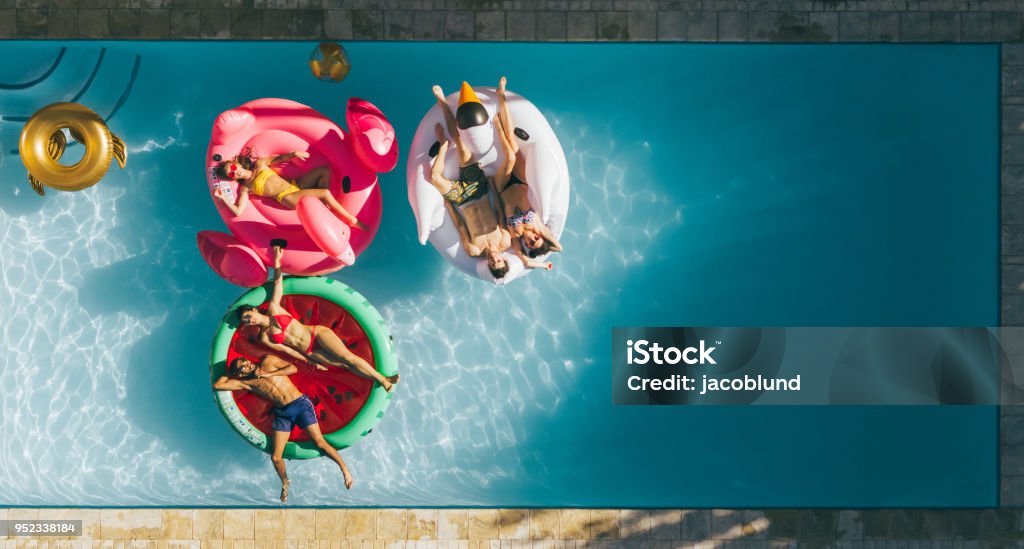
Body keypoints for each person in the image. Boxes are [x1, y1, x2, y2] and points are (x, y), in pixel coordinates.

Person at [238, 243, 399, 391]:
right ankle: (384, 379)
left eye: (247, 315)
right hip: (309, 351)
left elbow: (278, 284)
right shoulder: (265, 337)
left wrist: (277, 261)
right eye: (246, 321)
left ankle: (383, 381)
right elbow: (290, 350)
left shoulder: (274, 310)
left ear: (254, 310)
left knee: (347, 357)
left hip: (316, 335)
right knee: (345, 365)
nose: (248, 320)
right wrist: (310, 361)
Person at [213, 354, 354, 501]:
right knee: (276, 457)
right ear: (240, 374)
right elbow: (218, 385)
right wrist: (229, 372)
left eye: (246, 361)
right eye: (243, 366)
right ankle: (285, 481)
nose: (248, 364)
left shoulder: (267, 361)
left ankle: (345, 469)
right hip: (282, 413)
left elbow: (292, 369)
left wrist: (269, 373)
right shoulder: (246, 383)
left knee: (319, 442)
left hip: (300, 404)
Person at [430, 84, 512, 279]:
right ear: (503, 258)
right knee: (462, 147)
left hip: (461, 200)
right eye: (499, 261)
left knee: (434, 177)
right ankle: (442, 103)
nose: (494, 260)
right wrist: (491, 187)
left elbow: (459, 225)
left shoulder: (473, 250)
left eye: (492, 264)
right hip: (479, 191)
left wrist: (447, 203)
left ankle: (443, 145)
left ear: (488, 265)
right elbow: (500, 210)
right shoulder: (504, 240)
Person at [493, 77, 562, 265]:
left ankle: (498, 126)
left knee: (511, 157)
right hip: (521, 180)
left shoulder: (514, 236)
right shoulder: (538, 225)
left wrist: (539, 263)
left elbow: (526, 262)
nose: (531, 240)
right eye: (536, 240)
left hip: (502, 186)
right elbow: (559, 247)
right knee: (512, 143)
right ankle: (501, 96)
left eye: (530, 244)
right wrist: (545, 243)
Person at [213, 149, 367, 230]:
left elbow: (278, 159)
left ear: (237, 163)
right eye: (231, 174)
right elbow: (238, 211)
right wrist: (223, 198)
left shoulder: (260, 164)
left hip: (296, 184)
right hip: (286, 197)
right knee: (325, 193)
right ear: (233, 178)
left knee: (324, 171)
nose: (235, 172)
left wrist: (293, 154)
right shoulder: (246, 188)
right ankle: (351, 220)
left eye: (233, 168)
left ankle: (323, 208)